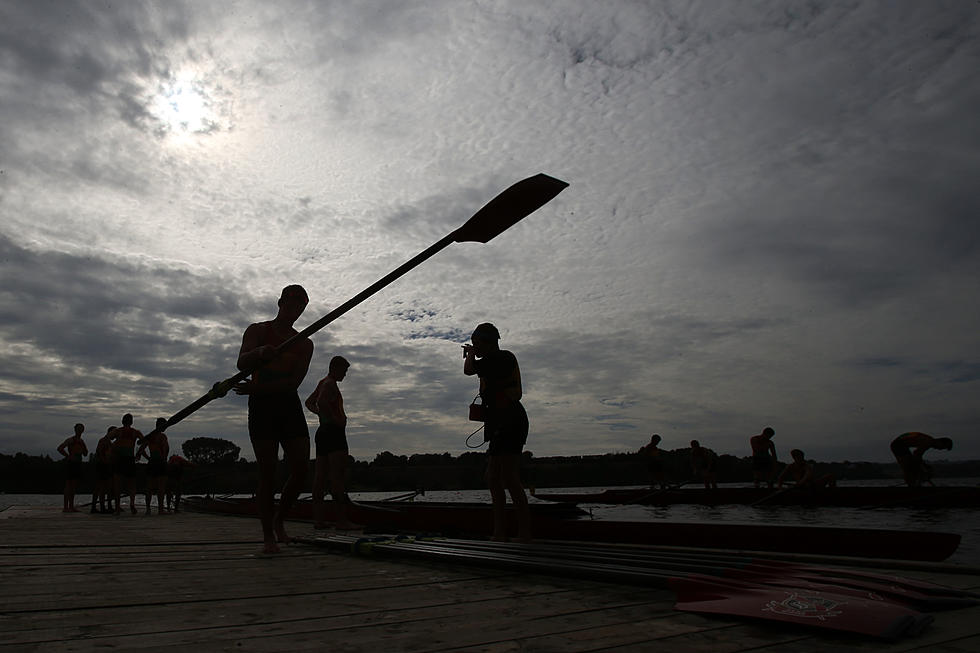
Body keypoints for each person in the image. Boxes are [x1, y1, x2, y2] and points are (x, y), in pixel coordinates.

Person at [234, 284, 314, 554]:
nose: (295, 308)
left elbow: (293, 384)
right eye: (291, 302)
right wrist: (259, 353)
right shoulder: (257, 330)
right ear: (280, 302)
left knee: (301, 467)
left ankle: (280, 520)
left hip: (286, 404)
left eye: (301, 305)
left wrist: (257, 388)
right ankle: (268, 536)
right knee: (267, 472)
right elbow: (242, 362)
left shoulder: (305, 343)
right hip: (261, 407)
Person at [463, 322, 531, 542]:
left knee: (510, 478)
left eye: (477, 343)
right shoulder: (491, 361)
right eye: (473, 344)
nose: (475, 347)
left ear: (489, 342)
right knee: (492, 478)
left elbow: (469, 369)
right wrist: (473, 354)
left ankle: (523, 533)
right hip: (498, 422)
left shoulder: (502, 358)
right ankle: (500, 531)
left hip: (511, 421)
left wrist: (471, 355)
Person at [305, 355, 361, 530]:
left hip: (322, 433)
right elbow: (320, 402)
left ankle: (318, 520)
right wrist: (335, 419)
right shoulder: (329, 384)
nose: (345, 375)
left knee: (320, 477)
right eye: (344, 371)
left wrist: (322, 415)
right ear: (335, 368)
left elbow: (309, 403)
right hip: (334, 433)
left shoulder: (323, 382)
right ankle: (342, 521)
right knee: (337, 476)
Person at [111, 413, 144, 515]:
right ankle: (131, 504)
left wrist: (113, 449)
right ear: (131, 422)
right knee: (131, 484)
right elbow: (145, 442)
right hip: (127, 459)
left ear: (122, 421)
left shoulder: (118, 431)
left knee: (118, 484)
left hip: (122, 459)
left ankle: (117, 507)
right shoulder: (134, 432)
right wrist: (139, 453)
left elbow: (106, 439)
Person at [137, 418, 170, 515]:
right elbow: (165, 449)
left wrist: (149, 458)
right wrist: (164, 460)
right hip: (160, 462)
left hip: (152, 463)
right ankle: (160, 509)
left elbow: (141, 450)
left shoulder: (150, 437)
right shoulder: (162, 436)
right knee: (161, 488)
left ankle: (148, 509)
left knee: (149, 488)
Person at [57, 423, 88, 513]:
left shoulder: (81, 441)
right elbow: (60, 448)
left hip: (78, 464)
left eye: (81, 429)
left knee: (74, 486)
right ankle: (66, 507)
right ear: (75, 430)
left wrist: (84, 449)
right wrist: (68, 456)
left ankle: (71, 506)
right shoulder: (71, 440)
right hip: (71, 463)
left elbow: (85, 454)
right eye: (78, 429)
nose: (80, 430)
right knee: (68, 485)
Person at [91, 427, 116, 514]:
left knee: (108, 487)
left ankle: (108, 506)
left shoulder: (110, 443)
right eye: (114, 433)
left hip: (107, 466)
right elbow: (99, 452)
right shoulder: (103, 441)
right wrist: (104, 461)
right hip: (102, 466)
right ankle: (98, 507)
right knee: (100, 487)